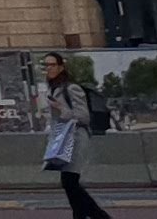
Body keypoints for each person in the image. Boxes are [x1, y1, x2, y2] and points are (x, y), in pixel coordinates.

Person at [40, 56, 112, 219]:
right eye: (46, 65)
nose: (49, 68)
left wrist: (61, 109)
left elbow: (84, 117)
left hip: (76, 138)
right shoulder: (54, 89)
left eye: (52, 65)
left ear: (61, 67)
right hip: (63, 139)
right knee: (69, 183)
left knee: (69, 182)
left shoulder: (71, 88)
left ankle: (101, 217)